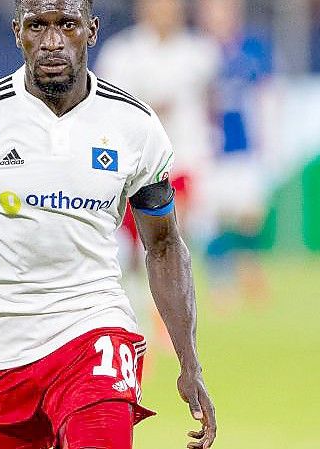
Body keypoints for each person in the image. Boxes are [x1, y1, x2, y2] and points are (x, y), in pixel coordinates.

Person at [0, 0, 217, 448]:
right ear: (17, 31)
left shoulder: (135, 125)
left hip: (94, 332)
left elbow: (164, 245)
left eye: (68, 24)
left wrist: (189, 361)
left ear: (92, 31)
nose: (53, 41)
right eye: (38, 25)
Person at [96, 0, 220, 352]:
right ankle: (136, 312)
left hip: (184, 158)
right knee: (136, 249)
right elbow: (108, 103)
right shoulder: (123, 53)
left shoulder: (200, 53)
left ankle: (170, 318)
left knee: (174, 237)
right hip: (136, 162)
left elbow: (212, 103)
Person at [198, 0, 272, 311]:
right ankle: (221, 285)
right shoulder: (196, 54)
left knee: (249, 215)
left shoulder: (252, 51)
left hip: (243, 148)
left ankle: (248, 267)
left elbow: (267, 94)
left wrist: (267, 137)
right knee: (213, 218)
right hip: (208, 150)